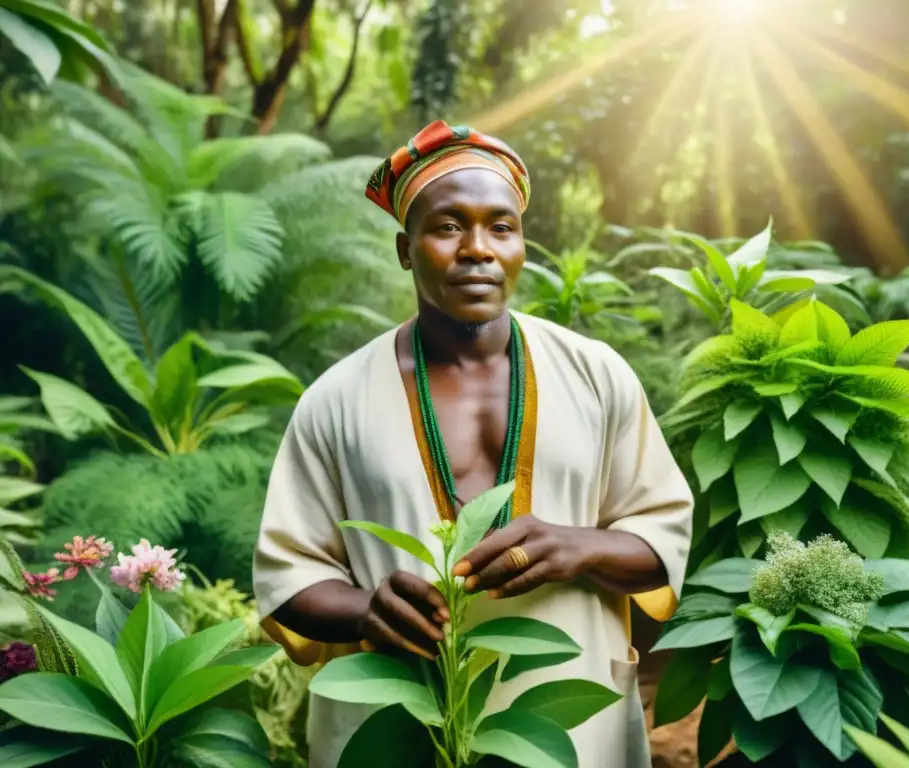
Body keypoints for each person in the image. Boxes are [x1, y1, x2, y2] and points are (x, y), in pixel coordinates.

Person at [253, 120, 693, 768]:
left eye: (501, 226)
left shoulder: (597, 376)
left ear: (521, 243)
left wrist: (580, 545)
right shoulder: (336, 399)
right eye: (448, 226)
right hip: (398, 725)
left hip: (568, 725)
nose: (477, 249)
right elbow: (287, 580)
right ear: (406, 249)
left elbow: (665, 542)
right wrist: (365, 609)